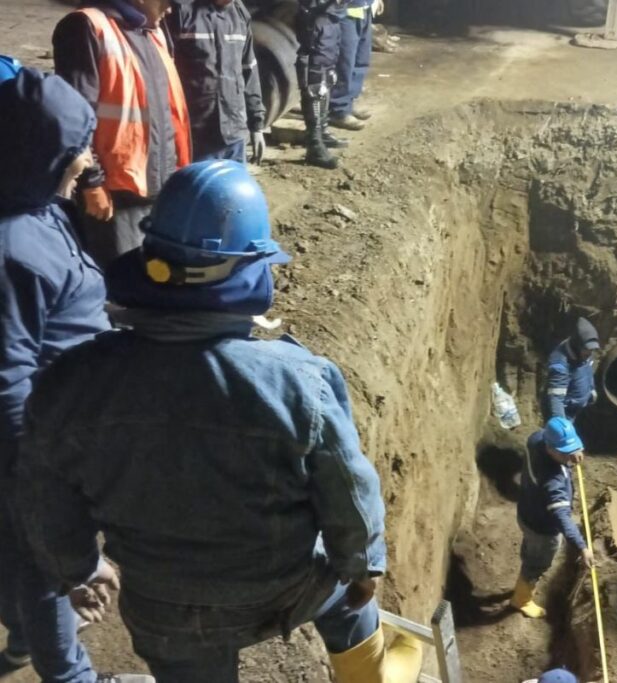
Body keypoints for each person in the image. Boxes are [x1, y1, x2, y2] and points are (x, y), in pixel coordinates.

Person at [17, 161, 422, 683]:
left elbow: (45, 495)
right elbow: (348, 489)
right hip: (286, 587)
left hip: (166, 609)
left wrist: (75, 569)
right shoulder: (301, 382)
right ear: (249, 272)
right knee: (351, 602)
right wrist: (362, 564)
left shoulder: (68, 384)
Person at [0, 66, 151, 683]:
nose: (87, 160)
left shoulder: (36, 207)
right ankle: (71, 675)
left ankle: (22, 645)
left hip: (64, 422)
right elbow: (8, 380)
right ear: (38, 153)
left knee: (31, 557)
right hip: (39, 442)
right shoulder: (9, 249)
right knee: (44, 560)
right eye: (76, 149)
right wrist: (36, 473)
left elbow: (71, 301)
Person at [53, 0, 192, 269]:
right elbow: (74, 115)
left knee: (147, 275)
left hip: (156, 185)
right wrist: (91, 183)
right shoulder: (87, 26)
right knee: (116, 278)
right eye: (166, 2)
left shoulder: (154, 32)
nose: (171, 9)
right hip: (113, 193)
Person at [512, 418, 595, 619]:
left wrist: (570, 454)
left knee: (530, 548)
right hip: (542, 528)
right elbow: (562, 518)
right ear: (551, 449)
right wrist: (582, 547)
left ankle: (526, 565)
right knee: (538, 561)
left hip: (526, 511)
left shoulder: (536, 439)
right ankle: (521, 600)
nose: (570, 455)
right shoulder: (553, 481)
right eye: (565, 452)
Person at [167, 0, 267, 163]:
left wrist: (257, 126)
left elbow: (249, 70)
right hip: (194, 134)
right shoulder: (181, 11)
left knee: (230, 188)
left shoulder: (240, 14)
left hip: (234, 133)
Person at [294, 0, 354, 169]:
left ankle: (322, 131)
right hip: (316, 17)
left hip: (332, 16)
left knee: (328, 76)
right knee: (315, 78)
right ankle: (314, 144)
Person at [327, 0, 380, 131]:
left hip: (364, 9)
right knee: (345, 63)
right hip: (344, 13)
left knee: (360, 60)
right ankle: (338, 110)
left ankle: (348, 103)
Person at [545, 317, 600, 422]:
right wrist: (562, 427)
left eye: (592, 349)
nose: (589, 353)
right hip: (565, 413)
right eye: (586, 349)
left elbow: (587, 369)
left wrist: (591, 391)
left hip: (577, 409)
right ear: (577, 345)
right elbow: (556, 399)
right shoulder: (560, 363)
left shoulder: (584, 354)